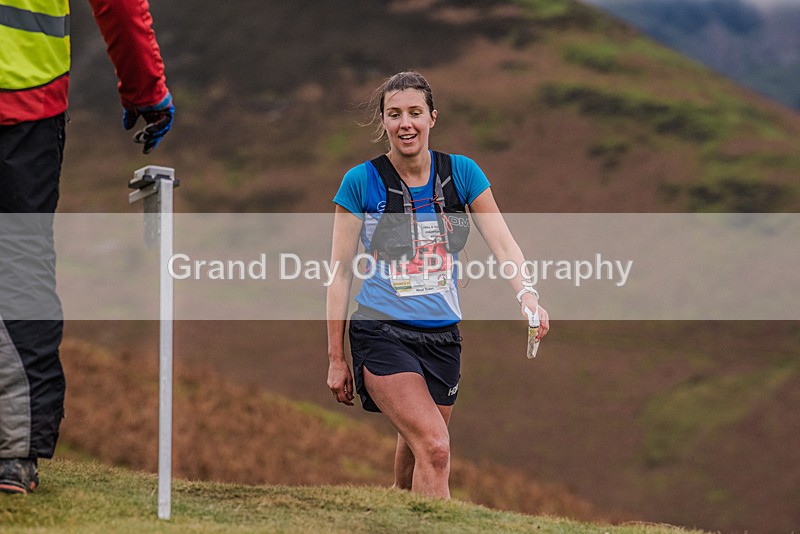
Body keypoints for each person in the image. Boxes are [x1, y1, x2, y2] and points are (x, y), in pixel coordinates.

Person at [326, 71, 549, 498]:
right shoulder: (360, 182)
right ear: (384, 123)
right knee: (436, 447)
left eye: (414, 113)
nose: (405, 123)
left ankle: (397, 500)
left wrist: (527, 295)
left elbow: (504, 244)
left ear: (432, 117)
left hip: (444, 339)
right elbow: (339, 273)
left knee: (418, 448)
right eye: (394, 115)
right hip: (381, 331)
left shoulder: (461, 173)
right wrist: (336, 357)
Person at [0, 0, 174, 494]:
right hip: (25, 105)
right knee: (19, 267)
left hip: (27, 104)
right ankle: (13, 454)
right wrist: (146, 90)